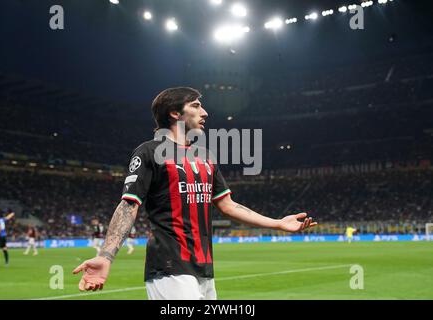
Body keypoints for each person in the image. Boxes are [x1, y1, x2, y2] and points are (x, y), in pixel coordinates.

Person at [73, 87, 317, 299]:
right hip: (170, 268)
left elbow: (228, 205)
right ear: (175, 113)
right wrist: (106, 256)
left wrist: (278, 223)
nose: (205, 113)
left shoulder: (204, 157)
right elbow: (129, 205)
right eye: (196, 106)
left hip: (204, 269)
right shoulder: (149, 151)